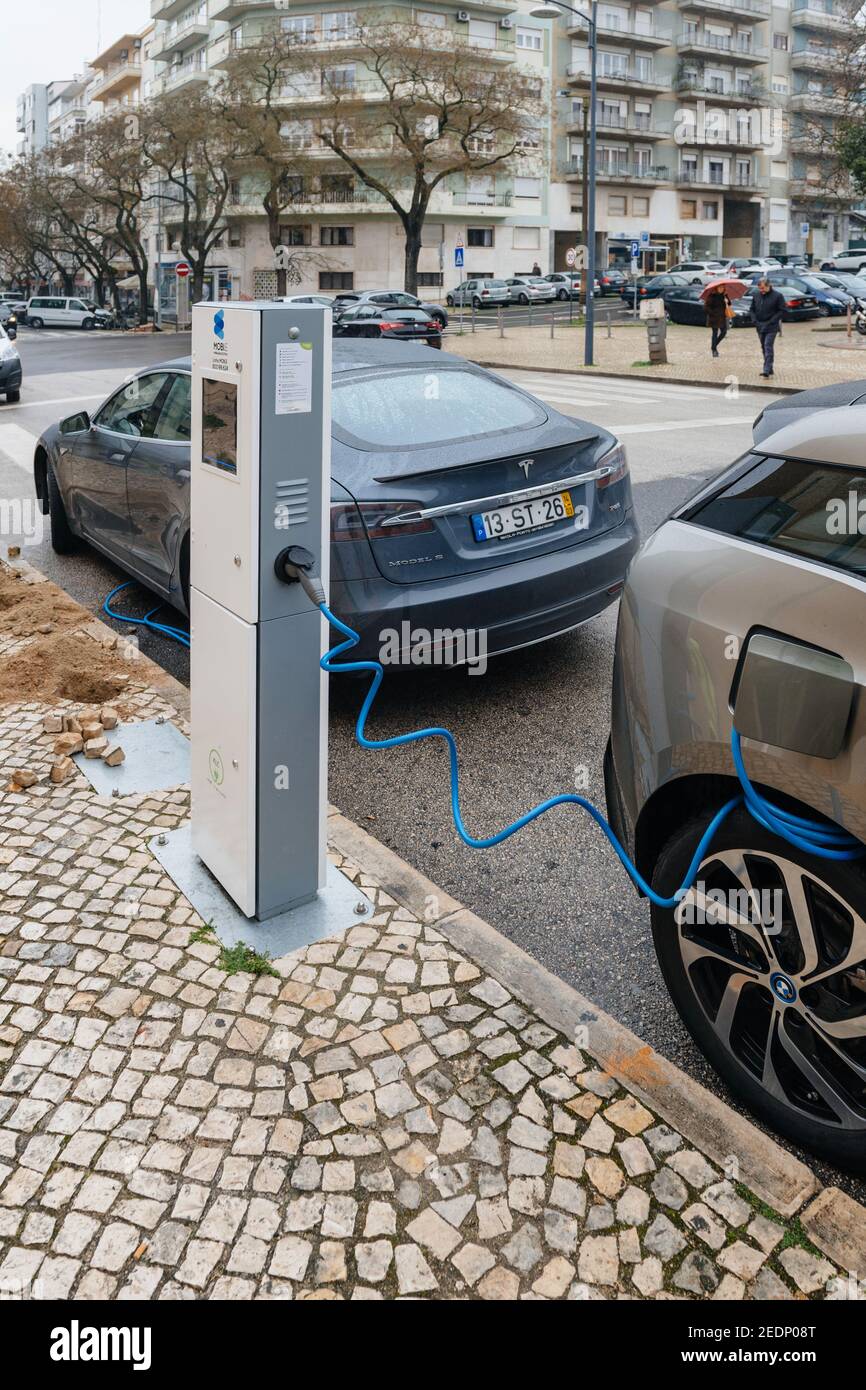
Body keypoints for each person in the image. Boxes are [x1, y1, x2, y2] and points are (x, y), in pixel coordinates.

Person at [750, 277, 786, 378]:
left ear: (768, 286)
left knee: (768, 346)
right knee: (763, 347)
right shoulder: (756, 295)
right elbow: (752, 309)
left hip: (771, 326)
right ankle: (769, 368)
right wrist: (754, 320)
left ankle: (766, 369)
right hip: (759, 325)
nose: (761, 291)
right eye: (759, 288)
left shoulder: (778, 296)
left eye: (763, 288)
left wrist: (772, 321)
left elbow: (782, 310)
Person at [704, 285, 731, 358]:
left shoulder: (724, 296)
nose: (721, 289)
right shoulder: (712, 296)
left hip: (722, 317)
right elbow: (706, 307)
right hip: (714, 318)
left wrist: (727, 301)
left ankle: (714, 346)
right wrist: (713, 313)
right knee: (715, 333)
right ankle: (714, 350)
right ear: (716, 288)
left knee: (724, 332)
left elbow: (729, 304)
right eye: (720, 288)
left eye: (722, 288)